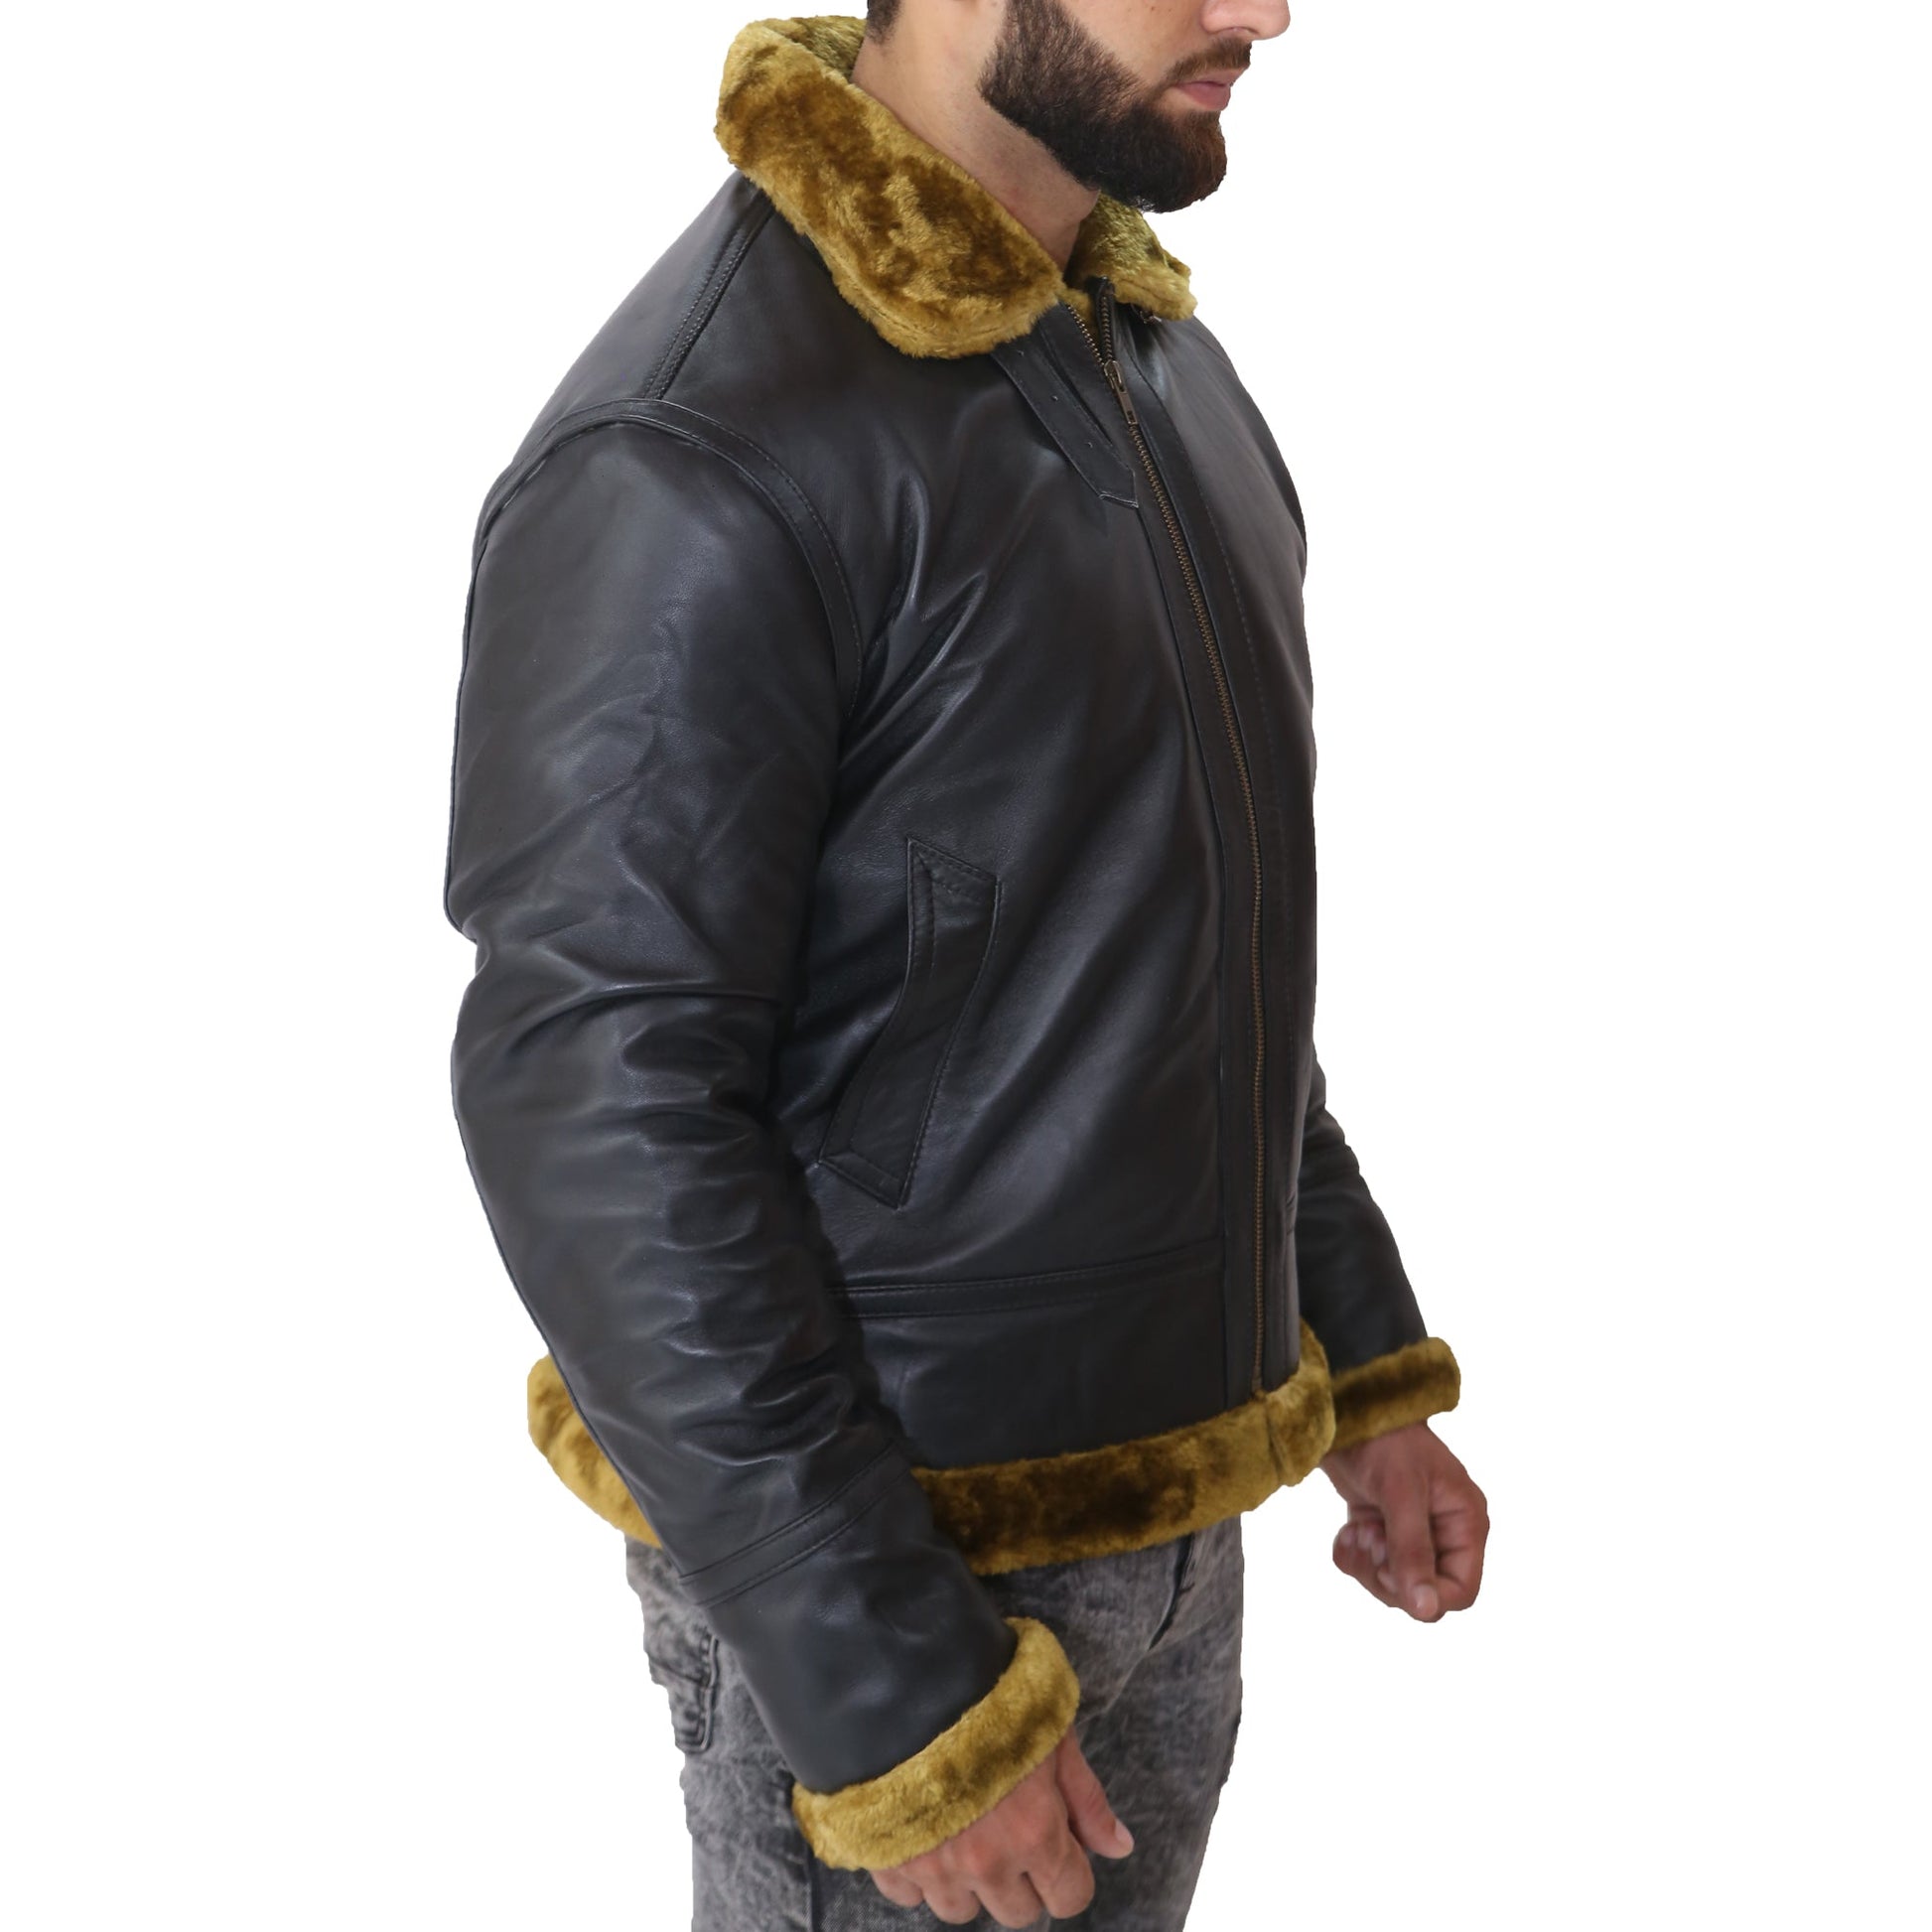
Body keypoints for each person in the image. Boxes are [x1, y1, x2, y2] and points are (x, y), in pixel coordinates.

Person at [442, 5, 1490, 1925]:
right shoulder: (692, 447)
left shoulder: (1152, 368)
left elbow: (1179, 942)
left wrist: (1351, 1357)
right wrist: (891, 1688)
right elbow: (594, 1103)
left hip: (1172, 1531)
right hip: (904, 1583)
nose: (1261, 10)